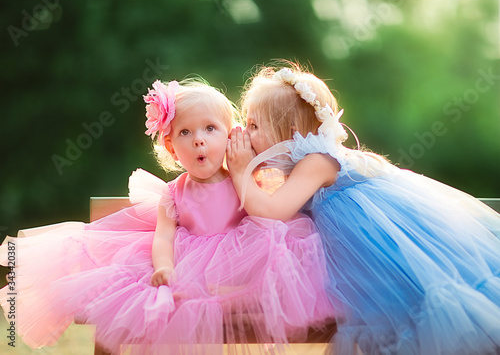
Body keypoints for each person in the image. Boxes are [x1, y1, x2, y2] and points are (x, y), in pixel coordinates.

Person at [0, 77, 335, 355]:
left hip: (235, 264)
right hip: (186, 265)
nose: (199, 140)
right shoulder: (173, 192)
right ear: (172, 147)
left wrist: (242, 170)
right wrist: (164, 266)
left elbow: (266, 219)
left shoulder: (243, 176)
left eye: (210, 129)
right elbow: (163, 236)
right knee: (151, 300)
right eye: (186, 133)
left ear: (232, 134)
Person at [227, 62, 500, 355]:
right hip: (372, 261)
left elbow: (272, 211)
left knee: (424, 317)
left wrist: (240, 171)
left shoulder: (317, 160)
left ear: (292, 132)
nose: (246, 132)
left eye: (254, 125)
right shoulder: (307, 163)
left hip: (386, 257)